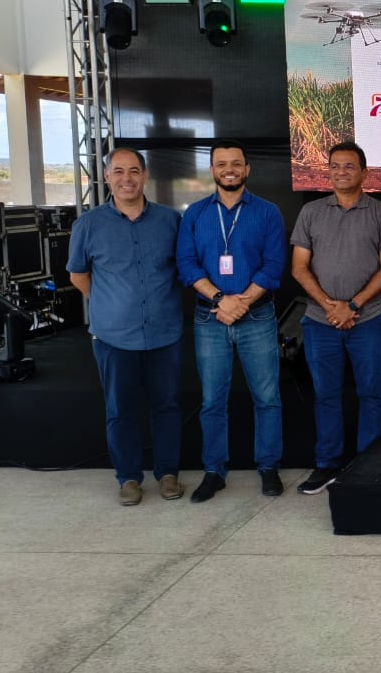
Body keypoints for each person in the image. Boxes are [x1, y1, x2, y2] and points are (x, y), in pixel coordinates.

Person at [67, 148, 184, 506]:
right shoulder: (88, 225)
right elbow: (78, 276)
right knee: (121, 411)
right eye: (118, 171)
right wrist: (112, 304)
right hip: (113, 337)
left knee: (166, 407)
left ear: (145, 175)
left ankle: (168, 474)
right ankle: (128, 478)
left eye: (134, 170)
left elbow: (183, 269)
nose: (126, 178)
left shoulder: (170, 221)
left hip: (164, 333)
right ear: (106, 177)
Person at [176, 140, 287, 502]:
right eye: (221, 163)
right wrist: (221, 300)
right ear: (212, 170)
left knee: (267, 397)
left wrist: (241, 302)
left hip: (257, 316)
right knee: (212, 400)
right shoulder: (194, 214)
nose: (229, 169)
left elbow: (274, 265)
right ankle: (214, 471)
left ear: (247, 169)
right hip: (210, 317)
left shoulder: (268, 212)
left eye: (236, 163)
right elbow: (186, 264)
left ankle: (268, 467)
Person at [291, 142, 381, 494]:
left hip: (367, 320)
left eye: (349, 166)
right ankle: (327, 465)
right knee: (326, 395)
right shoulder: (310, 212)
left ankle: (367, 466)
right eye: (335, 166)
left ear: (364, 173)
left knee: (371, 393)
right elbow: (298, 268)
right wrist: (330, 306)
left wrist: (351, 306)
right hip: (319, 321)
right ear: (328, 171)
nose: (341, 172)